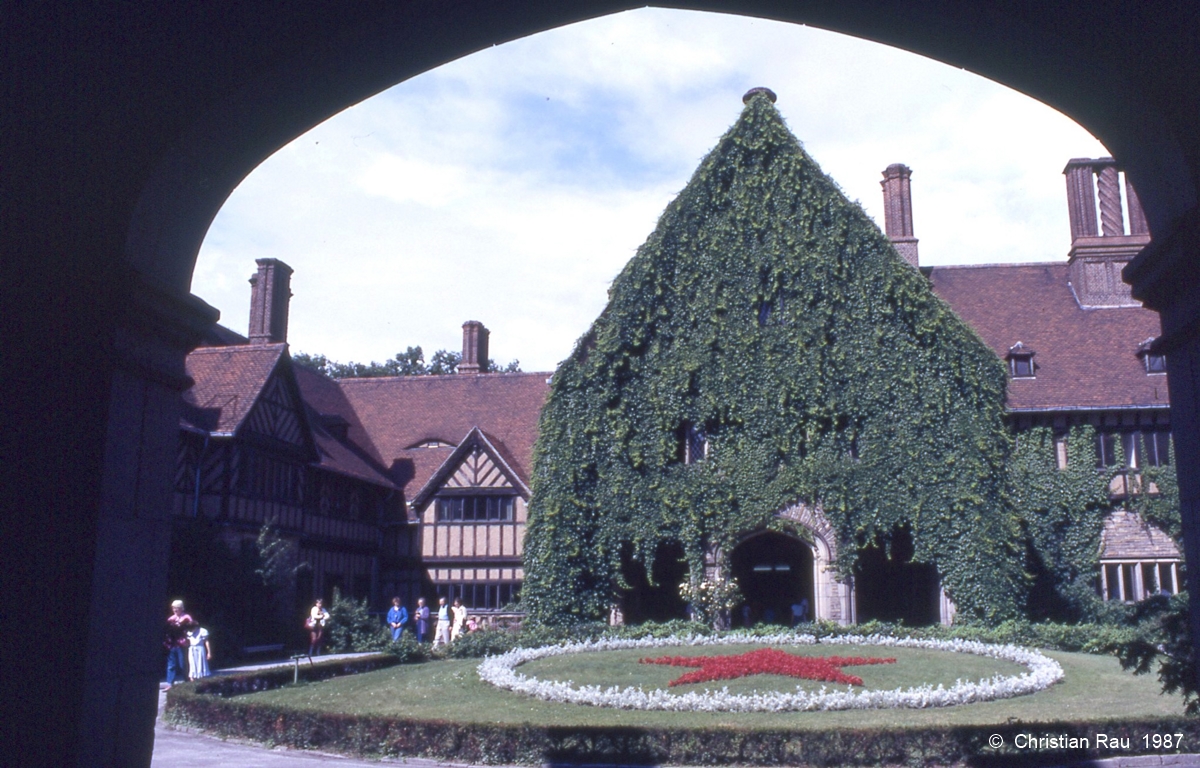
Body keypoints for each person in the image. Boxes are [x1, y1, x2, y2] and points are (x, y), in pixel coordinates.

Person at [164, 599, 194, 689]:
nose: (175, 610)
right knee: (171, 665)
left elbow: (192, 629)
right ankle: (169, 683)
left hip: (182, 644)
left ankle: (187, 680)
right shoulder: (171, 619)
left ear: (181, 608)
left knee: (182, 664)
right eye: (173, 608)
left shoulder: (187, 617)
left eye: (177, 608)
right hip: (173, 644)